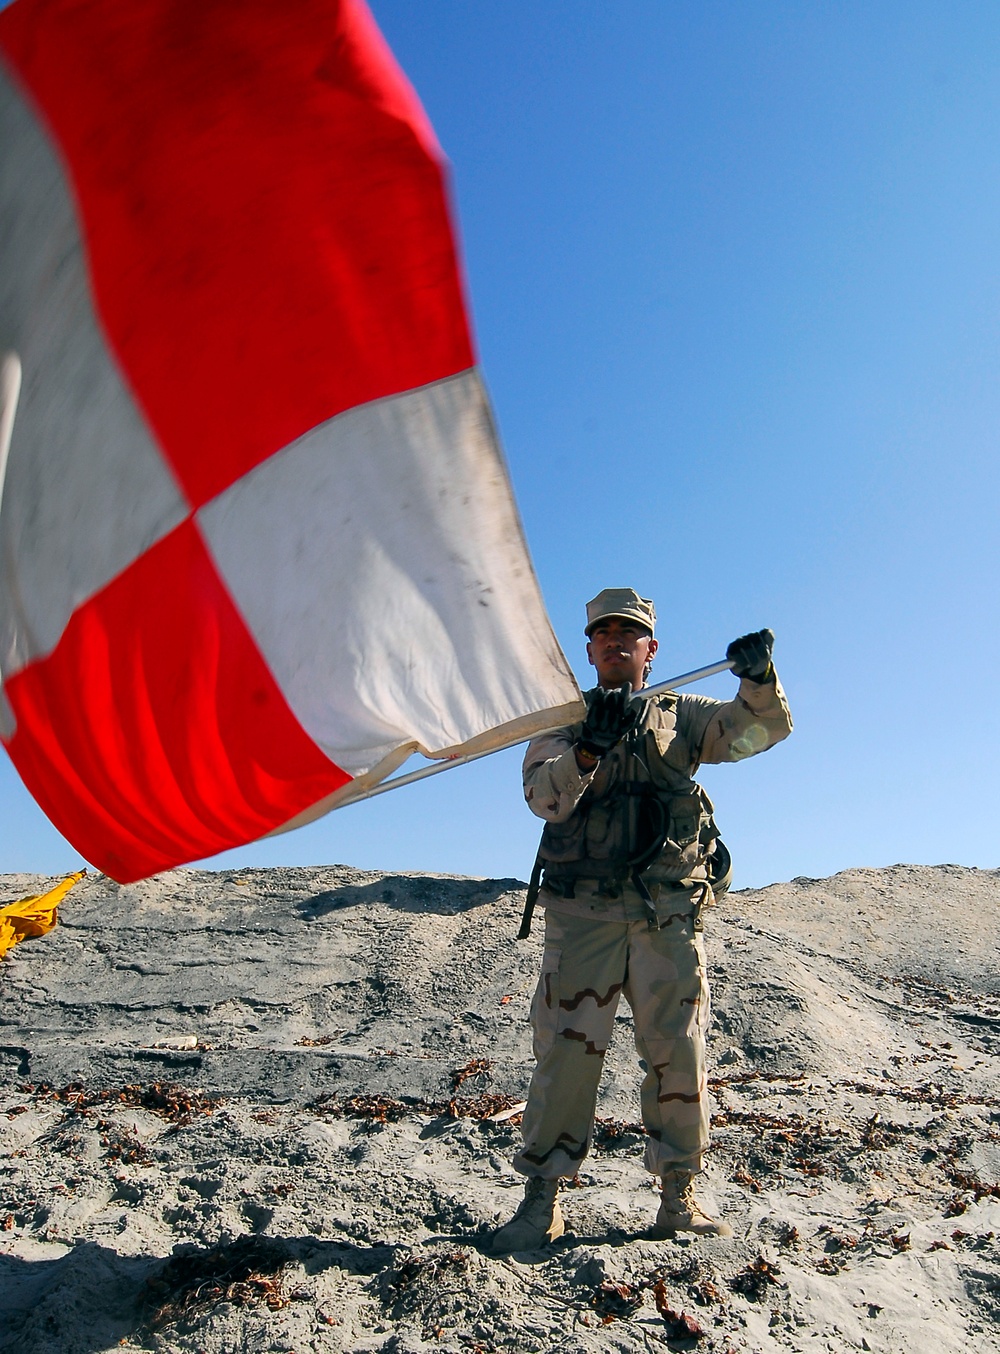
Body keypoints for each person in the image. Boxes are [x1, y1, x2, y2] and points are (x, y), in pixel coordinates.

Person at [490, 588, 792, 1253]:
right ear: (590, 648)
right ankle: (542, 1201)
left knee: (676, 1053)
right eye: (604, 633)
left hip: (666, 917)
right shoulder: (564, 720)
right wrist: (587, 752)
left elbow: (757, 731)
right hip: (583, 918)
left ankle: (678, 1196)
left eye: (631, 633)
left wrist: (758, 679)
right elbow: (542, 797)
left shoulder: (683, 716)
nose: (617, 641)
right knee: (564, 1058)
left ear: (651, 651)